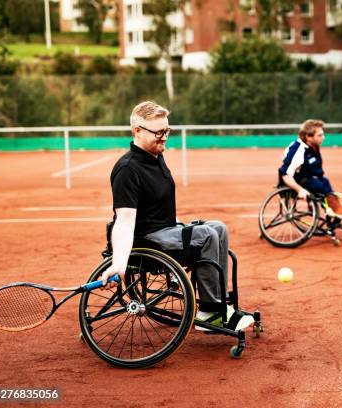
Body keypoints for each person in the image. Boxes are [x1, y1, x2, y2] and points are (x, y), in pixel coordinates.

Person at [99, 101, 248, 329]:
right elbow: (125, 220)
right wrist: (119, 262)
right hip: (147, 240)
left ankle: (220, 302)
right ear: (137, 130)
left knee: (219, 227)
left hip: (164, 230)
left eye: (167, 131)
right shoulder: (128, 169)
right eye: (158, 132)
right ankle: (210, 312)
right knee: (207, 235)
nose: (164, 137)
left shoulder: (155, 156)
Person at [278, 119, 342, 217]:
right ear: (308, 137)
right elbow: (285, 175)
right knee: (321, 187)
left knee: (325, 184)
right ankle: (332, 210)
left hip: (309, 176)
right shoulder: (298, 151)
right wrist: (300, 190)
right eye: (320, 135)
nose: (323, 138)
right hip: (297, 179)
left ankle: (332, 212)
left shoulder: (313, 145)